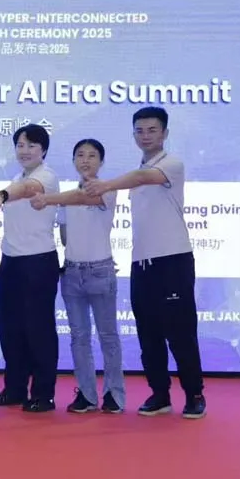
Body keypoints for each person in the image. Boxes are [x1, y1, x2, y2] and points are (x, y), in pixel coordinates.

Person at [83, 106, 206, 419]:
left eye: (152, 130)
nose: (145, 136)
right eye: (139, 130)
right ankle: (160, 394)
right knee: (148, 333)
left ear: (165, 133)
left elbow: (142, 177)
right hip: (142, 263)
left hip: (173, 261)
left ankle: (194, 394)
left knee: (180, 333)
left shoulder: (171, 164)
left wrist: (106, 184)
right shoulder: (137, 171)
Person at [30, 139, 126, 414]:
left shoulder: (107, 190)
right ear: (73, 161)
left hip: (100, 271)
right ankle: (86, 394)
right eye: (80, 155)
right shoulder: (67, 198)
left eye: (92, 155)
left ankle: (114, 395)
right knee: (79, 337)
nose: (85, 160)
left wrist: (48, 199)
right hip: (72, 272)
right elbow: (64, 234)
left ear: (101, 162)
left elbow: (83, 198)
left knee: (108, 336)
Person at [0, 124, 60, 413]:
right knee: (10, 328)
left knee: (38, 329)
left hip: (38, 261)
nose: (25, 150)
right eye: (20, 145)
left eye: (31, 145)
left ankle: (43, 394)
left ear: (44, 150)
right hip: (11, 261)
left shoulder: (45, 176)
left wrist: (2, 195)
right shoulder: (17, 177)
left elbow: (27, 190)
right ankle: (15, 389)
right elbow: (19, 186)